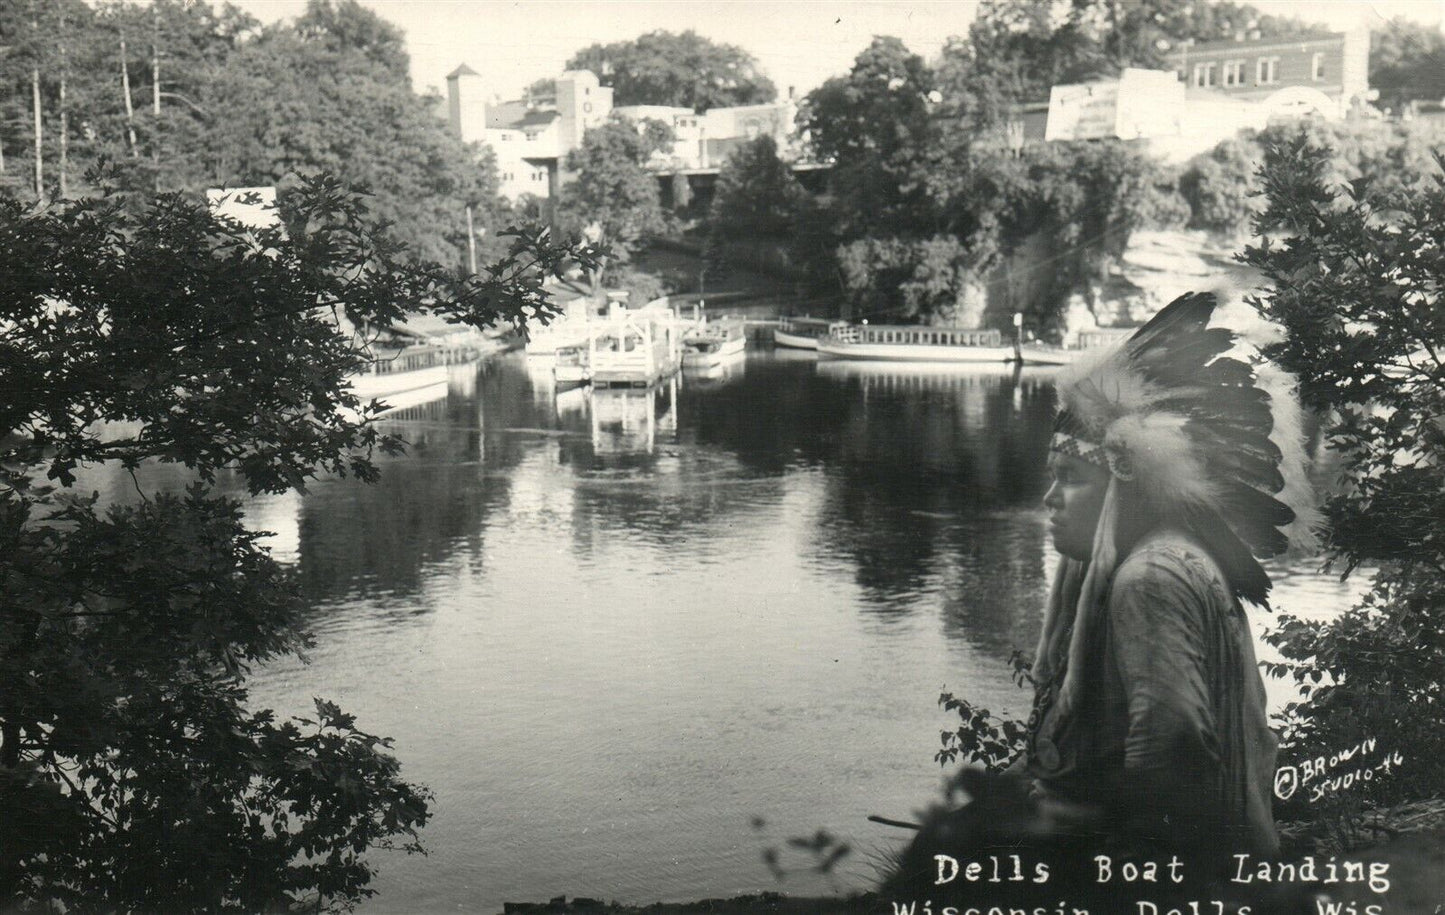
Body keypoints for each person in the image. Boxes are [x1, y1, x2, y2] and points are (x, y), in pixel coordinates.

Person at [1023, 291, 1316, 865]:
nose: (1049, 499)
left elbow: (1172, 749)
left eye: (1070, 478)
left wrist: (1097, 849)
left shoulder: (1149, 578)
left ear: (1123, 481)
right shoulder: (1168, 555)